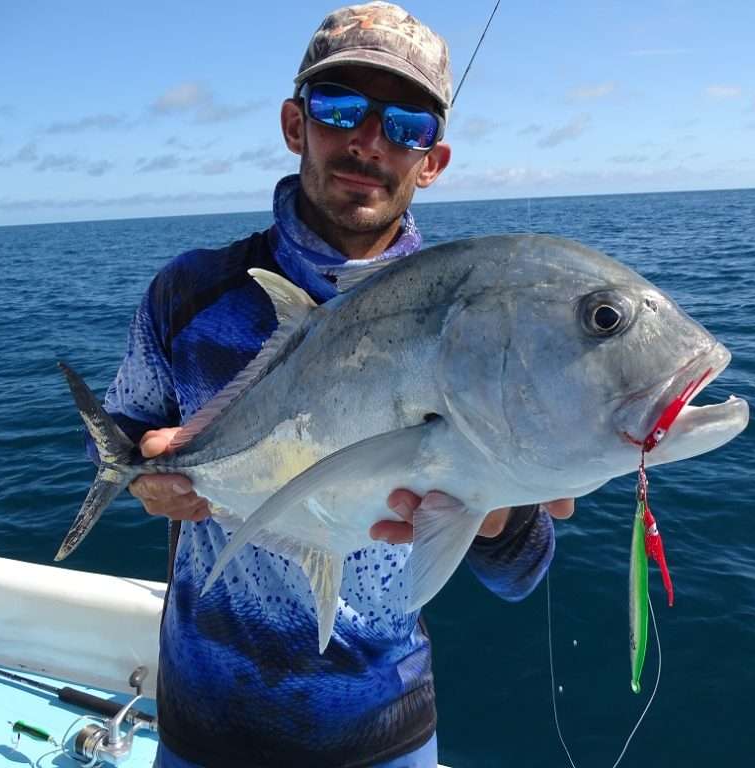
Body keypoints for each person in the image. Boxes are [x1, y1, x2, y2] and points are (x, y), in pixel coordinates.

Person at [93, 3, 573, 766]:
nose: (368, 141)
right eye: (341, 107)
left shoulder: (469, 321)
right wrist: (144, 477)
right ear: (295, 124)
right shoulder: (188, 295)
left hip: (384, 736)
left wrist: (487, 509)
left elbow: (522, 573)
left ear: (434, 160)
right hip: (200, 728)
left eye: (407, 124)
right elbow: (125, 440)